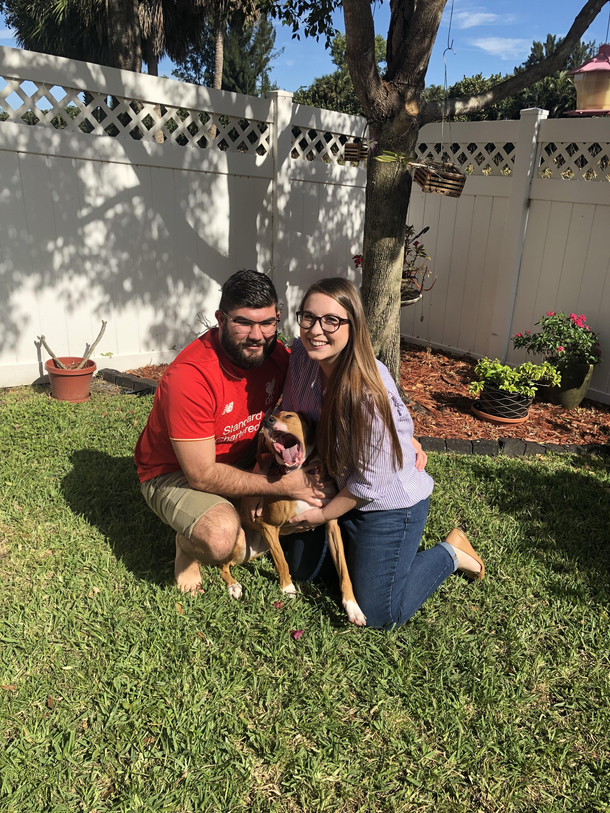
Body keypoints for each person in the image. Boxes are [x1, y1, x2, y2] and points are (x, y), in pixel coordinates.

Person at [280, 277, 485, 629]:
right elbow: (293, 415)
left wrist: (322, 515)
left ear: (353, 326)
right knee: (301, 567)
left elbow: (369, 485)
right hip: (337, 482)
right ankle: (361, 556)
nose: (316, 330)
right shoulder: (301, 354)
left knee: (379, 613)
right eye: (308, 317)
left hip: (387, 503)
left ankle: (451, 552)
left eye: (331, 320)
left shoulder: (366, 392)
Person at [134, 269, 324, 595]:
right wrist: (275, 483)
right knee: (222, 537)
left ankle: (237, 512)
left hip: (240, 458)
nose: (257, 335)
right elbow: (201, 475)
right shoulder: (190, 377)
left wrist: (399, 432)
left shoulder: (275, 355)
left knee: (315, 495)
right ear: (221, 319)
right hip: (173, 471)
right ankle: (187, 542)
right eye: (243, 323)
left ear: (278, 318)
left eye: (267, 323)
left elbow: (340, 381)